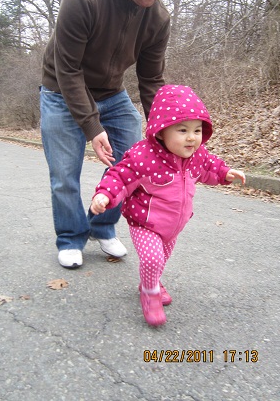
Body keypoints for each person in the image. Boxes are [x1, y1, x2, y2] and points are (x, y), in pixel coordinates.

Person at [40, 0, 186, 269]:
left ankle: (102, 226)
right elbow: (69, 68)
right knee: (64, 172)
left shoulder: (158, 19)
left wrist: (168, 131)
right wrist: (92, 126)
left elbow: (151, 80)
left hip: (111, 92)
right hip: (61, 89)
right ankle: (70, 237)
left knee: (133, 160)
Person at [90, 84, 246, 326]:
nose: (192, 137)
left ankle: (151, 281)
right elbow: (120, 175)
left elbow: (209, 167)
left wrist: (225, 173)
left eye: (197, 130)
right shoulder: (144, 156)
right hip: (145, 223)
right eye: (182, 130)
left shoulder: (197, 155)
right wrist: (105, 195)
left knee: (160, 260)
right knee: (152, 259)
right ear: (161, 132)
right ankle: (149, 294)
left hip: (173, 226)